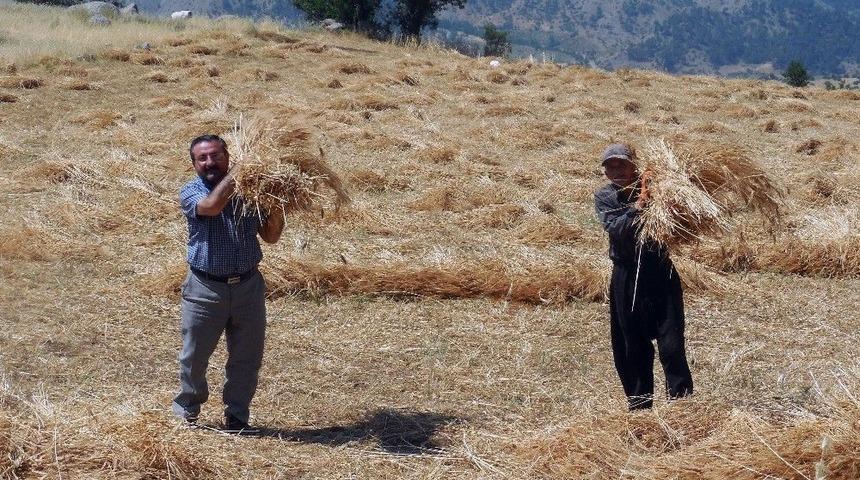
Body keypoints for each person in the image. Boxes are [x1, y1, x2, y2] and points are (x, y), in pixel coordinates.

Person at [172, 134, 285, 432]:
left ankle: (237, 417)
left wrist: (277, 201)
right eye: (203, 158)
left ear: (228, 156)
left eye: (216, 156)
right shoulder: (191, 191)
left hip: (248, 286)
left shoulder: (250, 192)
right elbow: (211, 206)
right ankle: (188, 411)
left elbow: (271, 237)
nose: (210, 162)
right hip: (205, 289)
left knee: (246, 358)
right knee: (194, 356)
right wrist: (244, 169)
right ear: (194, 163)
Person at [594, 143, 693, 410]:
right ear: (604, 170)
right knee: (632, 345)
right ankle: (640, 407)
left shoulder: (657, 189)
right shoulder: (605, 197)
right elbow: (615, 228)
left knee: (671, 343)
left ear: (633, 165)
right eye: (610, 166)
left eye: (622, 164)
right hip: (626, 275)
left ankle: (682, 406)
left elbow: (683, 218)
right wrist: (637, 207)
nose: (616, 170)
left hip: (659, 272)